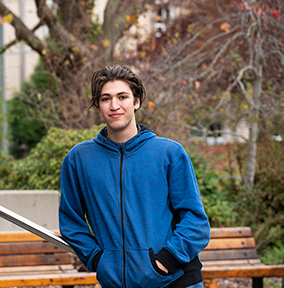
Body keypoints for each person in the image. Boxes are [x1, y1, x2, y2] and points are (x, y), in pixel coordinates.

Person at [58, 65, 210, 288]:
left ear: (136, 101)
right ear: (98, 105)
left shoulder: (169, 153)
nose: (114, 106)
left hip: (175, 281)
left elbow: (196, 222)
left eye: (122, 97)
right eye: (105, 98)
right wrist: (100, 260)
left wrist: (165, 262)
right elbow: (71, 223)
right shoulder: (79, 159)